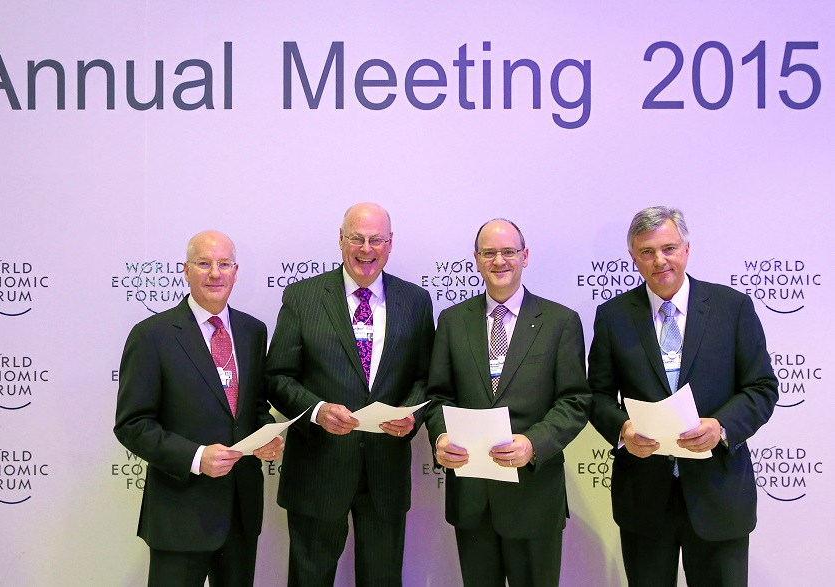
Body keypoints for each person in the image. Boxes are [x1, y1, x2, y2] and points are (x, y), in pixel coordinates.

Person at [588, 206, 778, 587]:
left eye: (669, 248)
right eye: (647, 252)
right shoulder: (613, 315)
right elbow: (596, 395)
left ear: (687, 250)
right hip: (644, 499)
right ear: (633, 258)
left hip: (718, 496)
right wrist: (623, 430)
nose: (660, 260)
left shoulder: (732, 308)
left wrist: (722, 426)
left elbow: (761, 387)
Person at [265, 202, 435, 587]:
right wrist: (318, 410)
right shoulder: (302, 298)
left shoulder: (416, 302)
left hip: (385, 470)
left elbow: (427, 379)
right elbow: (277, 376)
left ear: (390, 244)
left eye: (376, 240)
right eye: (356, 238)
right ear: (340, 241)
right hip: (318, 469)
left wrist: (412, 415)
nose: (366, 249)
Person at [425, 218, 591, 587]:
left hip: (534, 497)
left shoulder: (560, 322)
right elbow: (437, 396)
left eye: (509, 252)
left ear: (525, 256)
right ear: (477, 259)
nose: (499, 261)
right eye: (489, 253)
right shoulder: (452, 322)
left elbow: (575, 400)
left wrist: (534, 443)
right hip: (472, 498)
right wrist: (440, 438)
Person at [114, 230, 283, 587]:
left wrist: (264, 436)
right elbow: (132, 424)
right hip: (180, 512)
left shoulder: (254, 331)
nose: (215, 273)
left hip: (241, 510)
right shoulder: (152, 336)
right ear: (186, 270)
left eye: (224, 264)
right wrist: (196, 457)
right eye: (203, 264)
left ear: (236, 271)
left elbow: (252, 406)